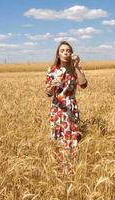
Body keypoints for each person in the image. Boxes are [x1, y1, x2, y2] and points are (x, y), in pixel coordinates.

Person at [45, 41, 88, 175]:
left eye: (68, 50)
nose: (65, 52)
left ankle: (72, 169)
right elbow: (48, 93)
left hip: (71, 107)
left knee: (71, 137)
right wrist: (52, 85)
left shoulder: (74, 69)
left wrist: (76, 67)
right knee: (58, 137)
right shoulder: (52, 70)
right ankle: (58, 169)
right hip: (57, 108)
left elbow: (83, 84)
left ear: (71, 53)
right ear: (58, 53)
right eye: (62, 50)